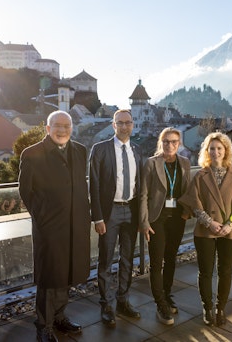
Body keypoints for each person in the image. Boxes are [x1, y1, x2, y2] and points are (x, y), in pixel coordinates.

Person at [19, 110, 90, 342]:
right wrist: (42, 218)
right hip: (49, 228)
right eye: (57, 126)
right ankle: (44, 326)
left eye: (67, 126)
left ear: (72, 128)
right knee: (50, 277)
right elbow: (26, 191)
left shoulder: (80, 151)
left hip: (74, 225)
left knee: (67, 272)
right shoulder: (32, 154)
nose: (62, 130)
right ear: (48, 129)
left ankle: (59, 317)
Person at [179, 132, 232, 327]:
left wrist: (230, 224)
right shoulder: (201, 175)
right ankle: (207, 307)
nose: (215, 152)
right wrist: (209, 222)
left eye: (219, 148)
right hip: (205, 230)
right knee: (205, 272)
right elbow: (194, 204)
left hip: (229, 231)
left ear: (226, 151)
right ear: (207, 151)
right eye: (211, 148)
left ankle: (220, 308)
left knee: (226, 271)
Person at [89, 109, 143, 327]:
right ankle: (107, 305)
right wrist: (98, 218)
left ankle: (123, 301)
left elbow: (141, 185)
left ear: (132, 125)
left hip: (131, 211)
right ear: (113, 125)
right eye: (119, 123)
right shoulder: (100, 149)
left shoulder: (138, 151)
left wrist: (142, 217)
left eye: (127, 122)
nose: (124, 126)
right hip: (109, 213)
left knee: (128, 259)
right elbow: (93, 184)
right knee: (106, 260)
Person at [140, 127, 191, 325]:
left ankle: (167, 294)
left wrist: (187, 211)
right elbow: (143, 194)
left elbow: (188, 190)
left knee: (170, 259)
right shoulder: (152, 164)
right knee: (156, 261)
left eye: (174, 142)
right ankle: (160, 303)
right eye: (166, 141)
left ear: (179, 144)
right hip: (157, 219)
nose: (170, 145)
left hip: (177, 218)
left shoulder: (185, 163)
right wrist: (144, 222)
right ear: (160, 143)